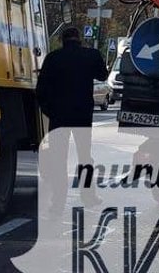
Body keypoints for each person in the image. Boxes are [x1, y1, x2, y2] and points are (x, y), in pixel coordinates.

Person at [35, 25, 109, 220]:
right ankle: (89, 196)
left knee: (59, 159)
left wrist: (49, 110)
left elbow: (40, 89)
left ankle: (58, 203)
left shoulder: (53, 58)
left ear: (61, 40)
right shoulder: (90, 55)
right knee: (85, 156)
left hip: (59, 116)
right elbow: (103, 75)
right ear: (79, 39)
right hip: (82, 114)